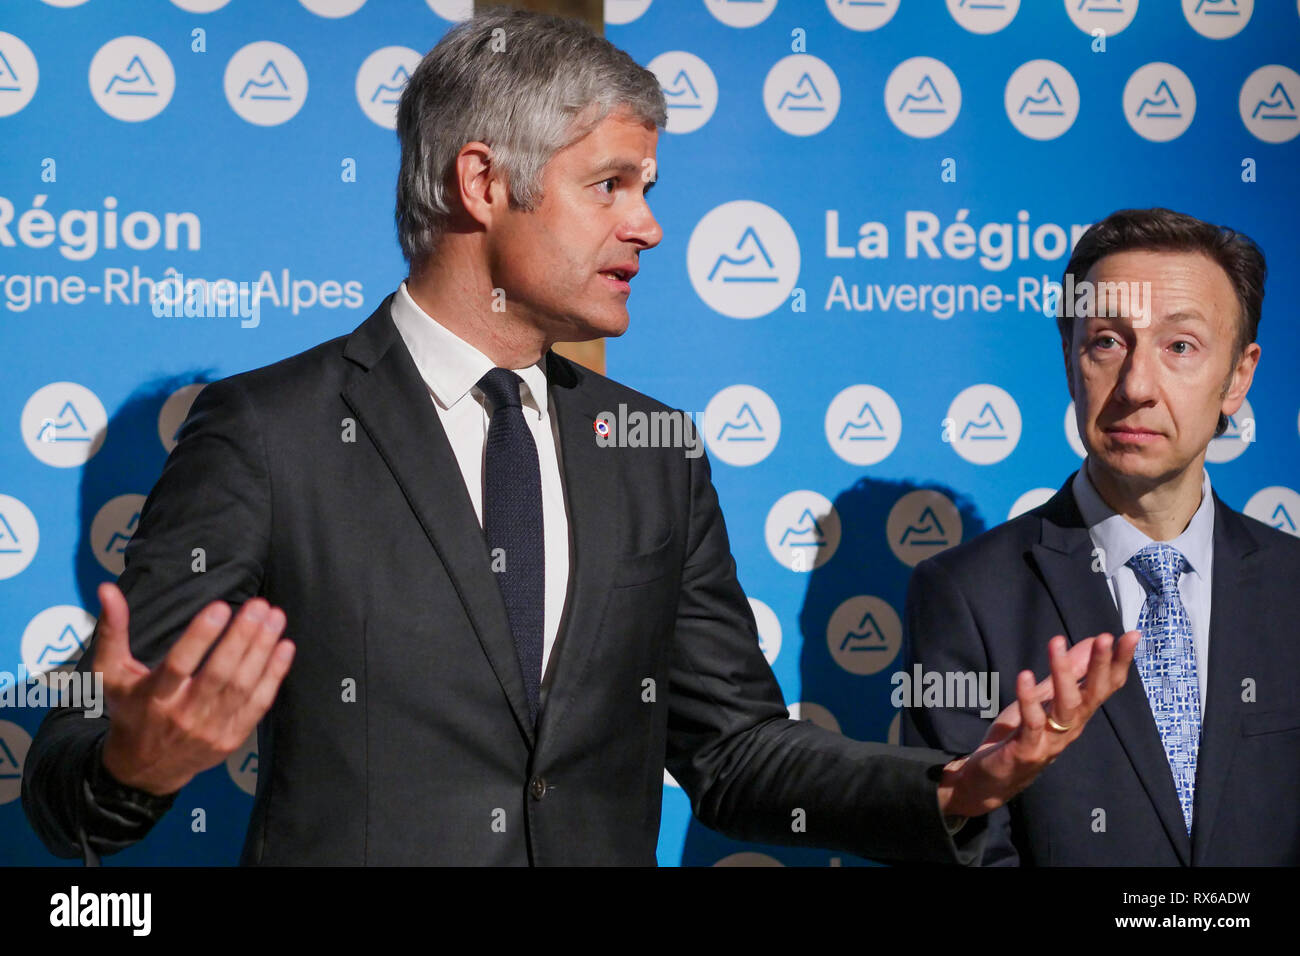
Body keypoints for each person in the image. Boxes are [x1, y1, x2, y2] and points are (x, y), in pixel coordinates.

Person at [23, 7, 1136, 866]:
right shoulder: (272, 431)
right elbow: (66, 766)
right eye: (611, 184)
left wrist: (957, 784)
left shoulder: (652, 448)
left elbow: (736, 751)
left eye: (647, 187)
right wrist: (135, 759)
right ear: (481, 180)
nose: (648, 224)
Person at [903, 207, 1300, 865]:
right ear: (1069, 357)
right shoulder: (965, 596)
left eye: (1181, 346)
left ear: (1238, 376)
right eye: (1108, 342)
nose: (1137, 386)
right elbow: (958, 852)